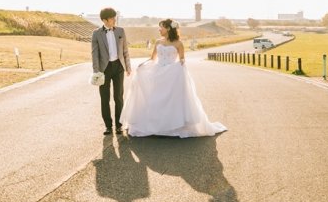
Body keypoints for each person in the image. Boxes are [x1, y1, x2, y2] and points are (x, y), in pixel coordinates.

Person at [122, 19, 227, 138]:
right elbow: (153, 58)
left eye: (161, 27)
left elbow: (182, 58)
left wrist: (181, 63)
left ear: (168, 28)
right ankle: (156, 125)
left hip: (172, 74)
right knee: (156, 97)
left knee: (171, 100)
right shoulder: (158, 42)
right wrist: (143, 65)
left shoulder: (178, 43)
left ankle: (173, 125)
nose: (159, 29)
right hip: (158, 73)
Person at [91, 7, 131, 135]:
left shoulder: (120, 31)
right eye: (112, 17)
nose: (115, 19)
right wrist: (96, 71)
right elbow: (94, 53)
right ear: (105, 20)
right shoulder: (96, 33)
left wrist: (128, 67)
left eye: (115, 17)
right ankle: (108, 126)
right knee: (105, 98)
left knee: (118, 97)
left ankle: (119, 125)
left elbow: (125, 51)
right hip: (104, 69)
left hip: (119, 67)